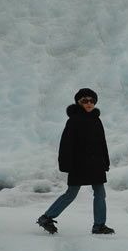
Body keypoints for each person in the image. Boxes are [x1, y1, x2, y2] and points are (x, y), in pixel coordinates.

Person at [36, 88, 114, 235]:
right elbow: (65, 144)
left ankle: (99, 225)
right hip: (79, 164)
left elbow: (102, 143)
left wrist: (105, 161)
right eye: (85, 100)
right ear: (79, 102)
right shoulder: (74, 120)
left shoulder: (96, 119)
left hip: (96, 164)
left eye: (92, 100)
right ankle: (46, 217)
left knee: (100, 193)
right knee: (71, 193)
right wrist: (65, 164)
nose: (89, 103)